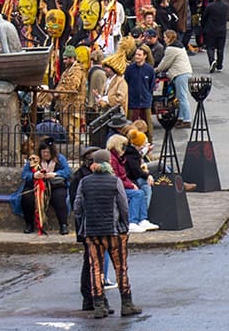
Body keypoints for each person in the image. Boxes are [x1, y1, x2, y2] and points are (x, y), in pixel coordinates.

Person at [74, 148, 142, 319]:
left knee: (95, 269)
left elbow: (77, 207)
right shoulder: (115, 181)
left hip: (92, 232)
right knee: (121, 268)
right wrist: (124, 226)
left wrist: (84, 224)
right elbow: (123, 206)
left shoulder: (85, 182)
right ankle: (126, 304)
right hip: (113, 232)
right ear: (108, 164)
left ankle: (99, 306)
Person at [20, 138, 72, 235]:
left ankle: (63, 225)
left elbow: (68, 172)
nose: (45, 154)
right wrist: (33, 175)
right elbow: (24, 174)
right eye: (43, 152)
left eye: (47, 152)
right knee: (27, 198)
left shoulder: (60, 159)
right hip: (35, 186)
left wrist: (55, 174)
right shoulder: (33, 159)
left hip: (55, 186)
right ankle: (29, 224)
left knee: (60, 197)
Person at [105, 134, 152, 233]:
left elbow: (123, 176)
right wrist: (130, 185)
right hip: (115, 188)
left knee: (140, 191)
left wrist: (131, 184)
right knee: (138, 194)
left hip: (121, 185)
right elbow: (116, 178)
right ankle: (132, 221)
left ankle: (143, 219)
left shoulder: (117, 158)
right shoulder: (112, 159)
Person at [156, 30, 193, 128]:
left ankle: (187, 119)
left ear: (169, 38)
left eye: (165, 37)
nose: (163, 39)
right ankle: (180, 118)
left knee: (182, 97)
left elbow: (165, 63)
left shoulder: (171, 49)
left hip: (180, 73)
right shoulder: (179, 46)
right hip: (184, 72)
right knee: (179, 97)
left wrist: (155, 70)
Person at [124, 47, 155, 143]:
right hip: (132, 102)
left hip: (145, 102)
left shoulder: (149, 70)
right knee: (130, 127)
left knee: (148, 128)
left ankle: (149, 146)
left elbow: (151, 85)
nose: (136, 57)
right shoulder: (129, 69)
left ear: (145, 56)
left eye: (139, 55)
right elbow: (126, 83)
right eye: (136, 54)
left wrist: (147, 96)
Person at [201, 0, 229, 73]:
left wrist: (203, 26)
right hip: (222, 30)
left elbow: (204, 17)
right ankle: (219, 65)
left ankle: (212, 61)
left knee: (210, 47)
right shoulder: (226, 7)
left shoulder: (210, 6)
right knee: (220, 49)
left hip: (210, 29)